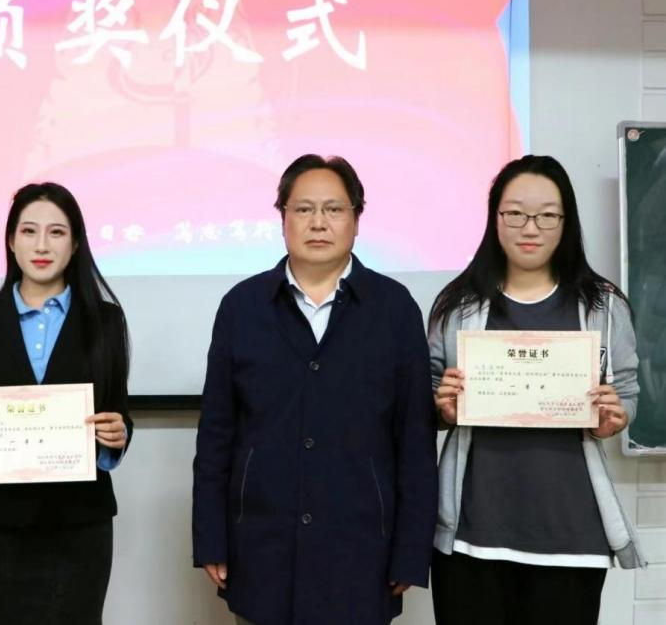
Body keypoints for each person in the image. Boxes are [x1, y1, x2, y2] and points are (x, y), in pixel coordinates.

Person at [192, 154, 437, 625]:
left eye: (334, 209)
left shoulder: (394, 308)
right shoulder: (243, 307)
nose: (318, 222)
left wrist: (410, 552)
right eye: (303, 209)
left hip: (362, 551)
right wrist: (211, 539)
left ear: (356, 220)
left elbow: (415, 441)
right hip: (262, 548)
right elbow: (217, 435)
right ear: (282, 218)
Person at [428, 155, 647, 625]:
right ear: (495, 218)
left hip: (571, 537)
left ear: (566, 222)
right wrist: (442, 406)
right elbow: (430, 392)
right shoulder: (458, 304)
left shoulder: (602, 305)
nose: (531, 228)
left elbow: (627, 390)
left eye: (547, 215)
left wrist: (616, 416)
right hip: (472, 536)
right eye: (515, 214)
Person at [0, 182, 131, 625]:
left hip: (83, 519)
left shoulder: (105, 319)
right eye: (29, 231)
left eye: (56, 232)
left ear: (76, 243)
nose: (41, 245)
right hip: (5, 522)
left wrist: (117, 434)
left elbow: (118, 411)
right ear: (11, 240)